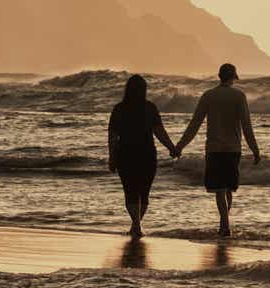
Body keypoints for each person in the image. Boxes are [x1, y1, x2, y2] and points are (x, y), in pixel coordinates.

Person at [175, 63, 261, 237]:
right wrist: (255, 149)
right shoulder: (239, 96)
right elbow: (246, 126)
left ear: (219, 76)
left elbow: (194, 125)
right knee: (228, 188)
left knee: (221, 189)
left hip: (214, 149)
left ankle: (224, 223)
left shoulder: (208, 96)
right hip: (233, 149)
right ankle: (225, 223)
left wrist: (180, 146)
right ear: (234, 77)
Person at [108, 74, 178, 239]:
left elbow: (112, 136)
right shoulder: (150, 108)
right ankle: (137, 225)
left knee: (130, 190)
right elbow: (159, 132)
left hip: (125, 154)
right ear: (144, 90)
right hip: (147, 154)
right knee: (144, 192)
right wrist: (172, 148)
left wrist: (112, 157)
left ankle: (136, 225)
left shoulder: (119, 108)